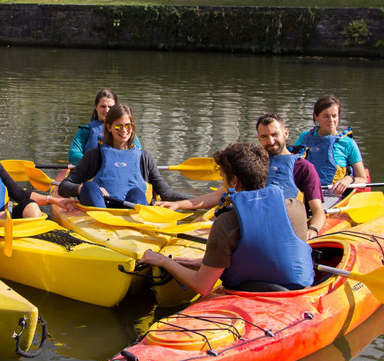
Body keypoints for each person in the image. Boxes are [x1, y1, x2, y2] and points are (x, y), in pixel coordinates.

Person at [139, 142, 314, 295]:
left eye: (223, 178)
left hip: (247, 297)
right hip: (295, 296)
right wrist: (205, 262)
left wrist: (164, 261)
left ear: (234, 181)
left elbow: (202, 286)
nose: (222, 183)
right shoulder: (296, 208)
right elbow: (273, 254)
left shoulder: (226, 223)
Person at [156, 113, 327, 238]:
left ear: (286, 133)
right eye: (264, 137)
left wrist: (312, 231)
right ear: (259, 139)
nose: (271, 141)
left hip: (276, 226)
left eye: (275, 135)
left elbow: (319, 211)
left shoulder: (303, 168)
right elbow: (218, 195)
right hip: (238, 218)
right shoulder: (251, 162)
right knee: (194, 226)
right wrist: (179, 204)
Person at [58, 104, 189, 208]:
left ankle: (138, 222)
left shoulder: (144, 158)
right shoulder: (94, 155)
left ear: (132, 127)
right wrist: (80, 188)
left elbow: (166, 193)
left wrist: (195, 202)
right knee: (90, 187)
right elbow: (64, 187)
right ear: (109, 127)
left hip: (131, 214)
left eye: (128, 126)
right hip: (98, 212)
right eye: (118, 126)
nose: (124, 130)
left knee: (136, 192)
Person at [294, 95, 367, 196]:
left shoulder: (348, 143)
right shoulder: (304, 137)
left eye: (334, 116)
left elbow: (363, 179)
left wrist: (349, 179)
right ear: (316, 117)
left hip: (331, 195)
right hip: (304, 193)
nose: (331, 120)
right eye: (326, 116)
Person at [69, 89, 118, 165]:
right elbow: (73, 155)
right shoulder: (85, 130)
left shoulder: (124, 130)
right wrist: (96, 162)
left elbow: (138, 153)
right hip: (90, 169)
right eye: (103, 106)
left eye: (110, 107)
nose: (107, 110)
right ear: (95, 106)